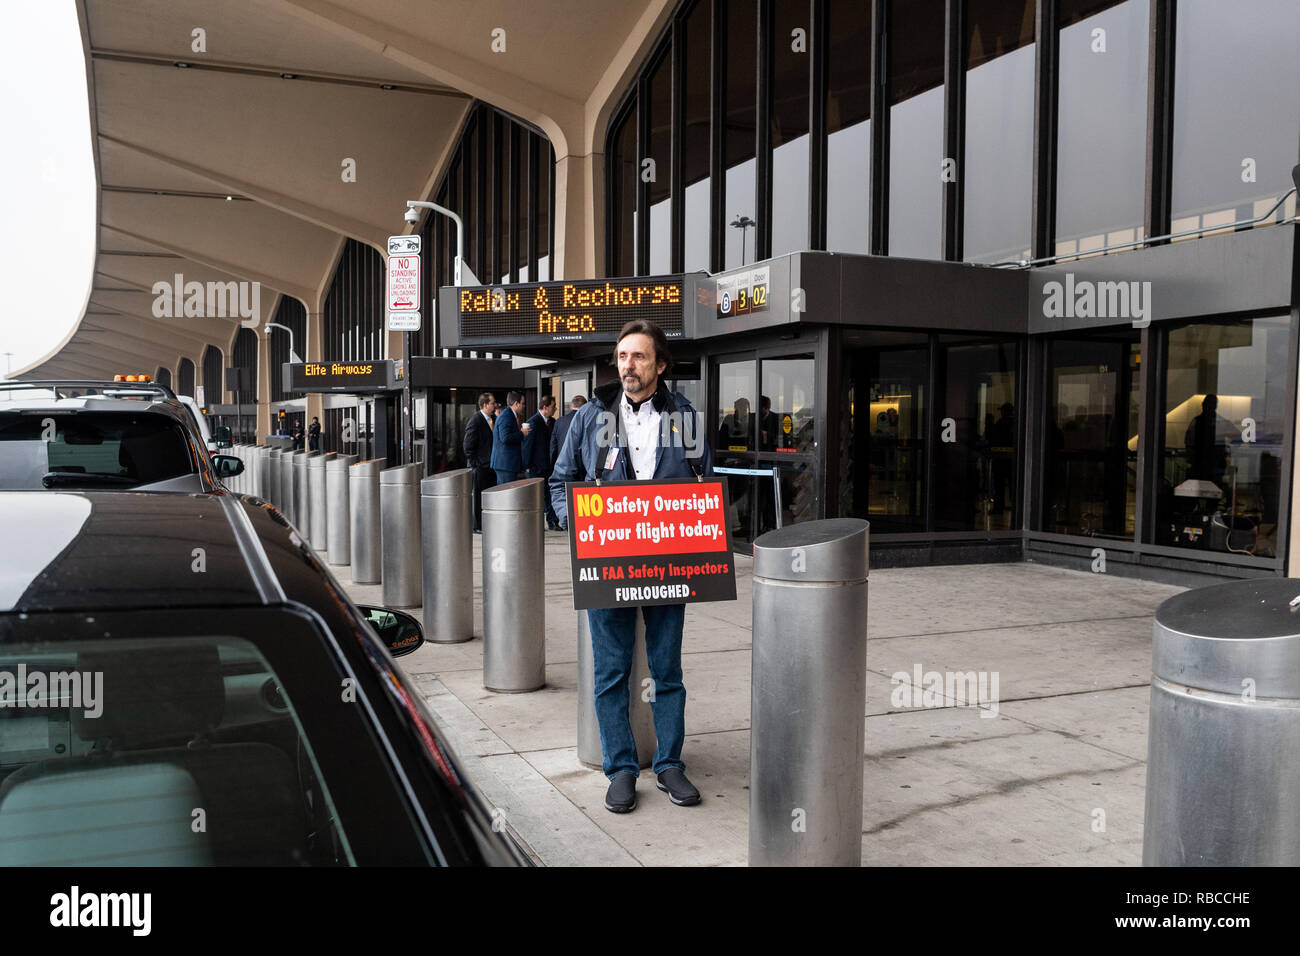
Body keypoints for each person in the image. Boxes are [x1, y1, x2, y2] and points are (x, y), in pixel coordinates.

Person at [550, 319, 713, 814]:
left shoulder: (685, 417)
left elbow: (706, 482)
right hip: (608, 562)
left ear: (660, 365)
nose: (628, 366)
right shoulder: (591, 416)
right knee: (611, 671)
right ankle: (620, 769)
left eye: (639, 357)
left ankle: (668, 764)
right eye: (622, 356)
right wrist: (579, 528)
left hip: (668, 565)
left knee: (667, 669)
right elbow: (560, 481)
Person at [523, 394, 561, 530]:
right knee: (537, 496)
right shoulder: (533, 422)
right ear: (545, 407)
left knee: (550, 494)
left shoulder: (553, 422)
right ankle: (536, 523)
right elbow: (527, 445)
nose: (555, 409)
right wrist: (527, 465)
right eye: (553, 406)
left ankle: (553, 521)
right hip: (536, 467)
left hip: (549, 466)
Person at [463, 393, 497, 533]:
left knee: (487, 495)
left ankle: (486, 523)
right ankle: (477, 526)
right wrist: (476, 464)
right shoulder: (475, 421)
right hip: (479, 467)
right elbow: (467, 446)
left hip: (490, 466)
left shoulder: (493, 419)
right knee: (477, 497)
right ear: (485, 405)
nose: (495, 405)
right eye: (493, 403)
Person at [490, 390, 529, 487]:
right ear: (516, 404)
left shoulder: (509, 415)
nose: (524, 406)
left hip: (507, 463)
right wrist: (521, 433)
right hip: (505, 464)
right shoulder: (507, 416)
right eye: (523, 403)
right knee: (506, 494)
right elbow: (505, 438)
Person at [550, 395, 586, 470]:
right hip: (581, 467)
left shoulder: (559, 421)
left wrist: (553, 465)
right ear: (585, 407)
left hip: (562, 465)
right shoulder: (586, 422)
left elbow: (553, 446)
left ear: (571, 407)